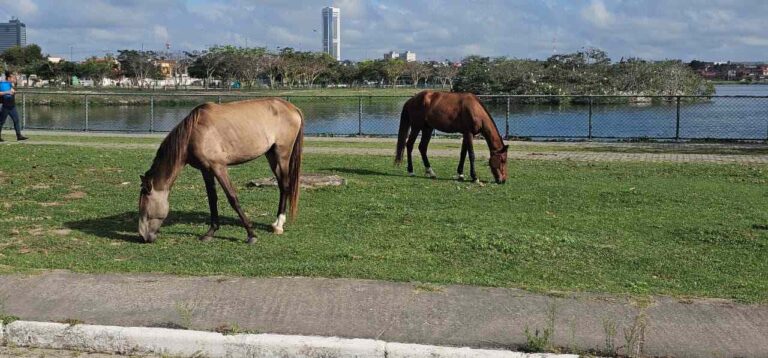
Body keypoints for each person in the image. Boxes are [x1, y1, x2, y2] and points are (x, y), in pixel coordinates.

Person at [0, 71, 28, 141]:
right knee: (1, 122)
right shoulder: (2, 84)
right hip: (5, 106)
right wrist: (8, 92)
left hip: (12, 106)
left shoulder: (10, 84)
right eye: (12, 78)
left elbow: (12, 91)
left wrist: (13, 91)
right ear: (8, 78)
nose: (13, 79)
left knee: (16, 120)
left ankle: (19, 136)